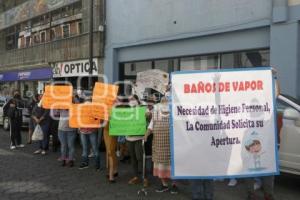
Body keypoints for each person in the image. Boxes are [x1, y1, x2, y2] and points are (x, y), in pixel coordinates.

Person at [245, 67, 282, 200]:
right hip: (250, 148)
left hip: (266, 148)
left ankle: (268, 194)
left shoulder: (267, 113)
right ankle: (251, 194)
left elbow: (276, 94)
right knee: (248, 171)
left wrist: (274, 78)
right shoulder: (245, 117)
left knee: (268, 171)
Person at [144, 96, 178, 194]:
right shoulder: (156, 114)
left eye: (166, 100)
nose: (164, 101)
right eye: (162, 100)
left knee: (172, 166)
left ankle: (174, 185)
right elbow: (150, 127)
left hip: (171, 146)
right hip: (159, 145)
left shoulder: (174, 114)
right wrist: (146, 136)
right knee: (161, 166)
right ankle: (164, 185)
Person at [126, 95, 148, 186]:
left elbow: (149, 118)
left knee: (140, 158)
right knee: (133, 158)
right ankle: (135, 176)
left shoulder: (143, 109)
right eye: (129, 99)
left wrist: (148, 115)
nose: (131, 100)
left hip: (139, 138)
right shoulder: (126, 111)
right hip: (129, 138)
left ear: (137, 100)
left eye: (133, 99)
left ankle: (144, 177)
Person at [78, 98, 101, 171]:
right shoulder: (83, 108)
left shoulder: (82, 107)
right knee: (93, 148)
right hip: (87, 130)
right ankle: (96, 165)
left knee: (87, 148)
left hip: (87, 130)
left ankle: (87, 163)